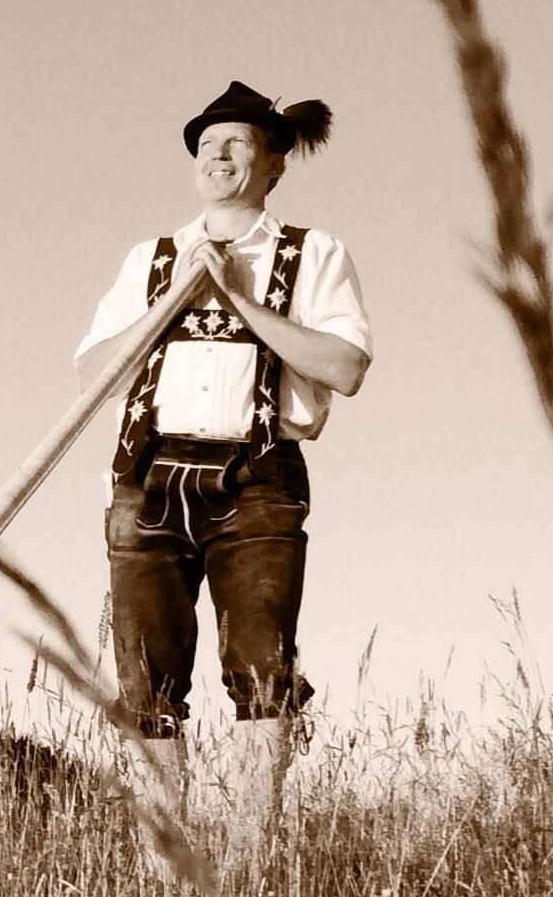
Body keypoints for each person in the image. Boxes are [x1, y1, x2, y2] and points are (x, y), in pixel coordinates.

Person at [74, 81, 373, 768]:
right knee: (145, 683)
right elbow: (94, 375)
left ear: (273, 164)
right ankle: (166, 866)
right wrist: (173, 298)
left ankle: (250, 864)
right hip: (144, 483)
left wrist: (235, 298)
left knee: (263, 674)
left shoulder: (314, 253)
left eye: (236, 142)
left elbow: (345, 368)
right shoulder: (150, 259)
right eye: (206, 145)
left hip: (258, 480)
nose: (217, 154)